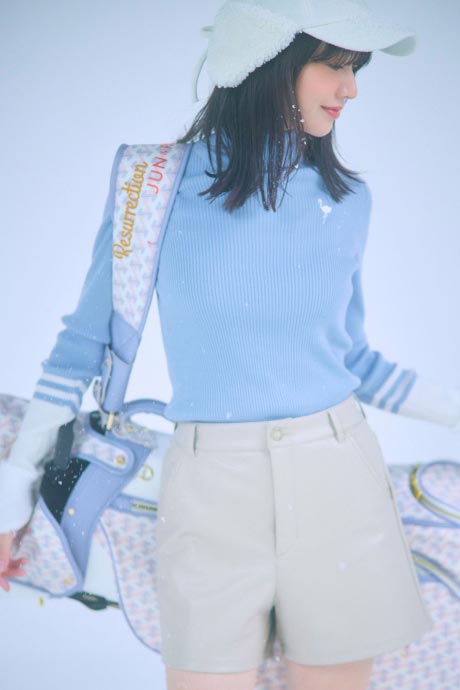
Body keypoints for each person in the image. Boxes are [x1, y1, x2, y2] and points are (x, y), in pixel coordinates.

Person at [1, 1, 460, 689]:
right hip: (210, 490)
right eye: (332, 65)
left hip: (339, 479)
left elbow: (352, 360)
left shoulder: (346, 200)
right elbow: (78, 352)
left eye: (355, 69)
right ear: (266, 60)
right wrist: (11, 496)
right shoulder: (153, 186)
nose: (351, 88)